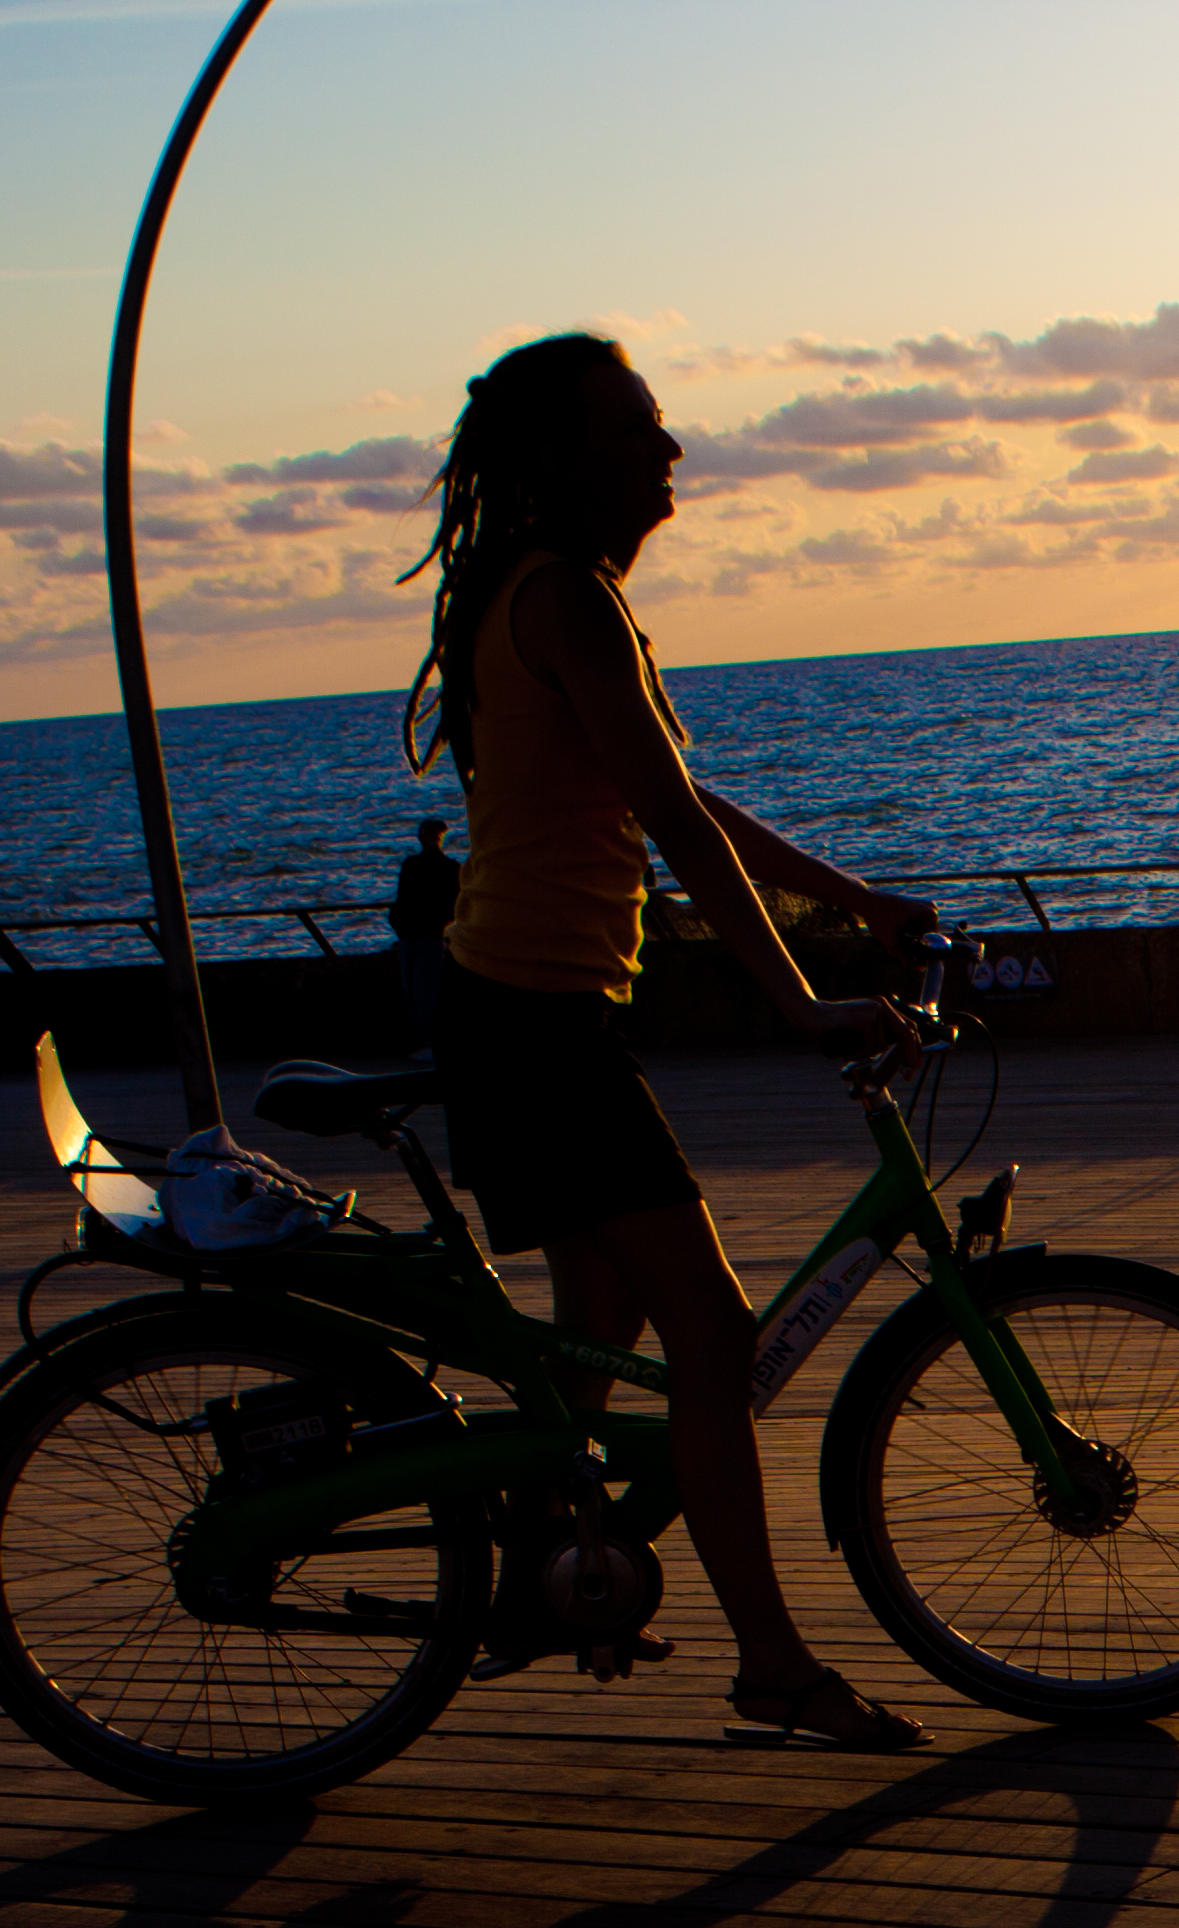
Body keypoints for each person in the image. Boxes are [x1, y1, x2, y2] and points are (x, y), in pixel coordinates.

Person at [401, 329, 939, 1753]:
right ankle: (770, 1665)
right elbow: (682, 828)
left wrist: (856, 902)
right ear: (566, 459)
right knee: (711, 1332)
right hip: (534, 1029)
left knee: (609, 1325)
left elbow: (677, 797)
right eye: (638, 427)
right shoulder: (564, 601)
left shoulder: (549, 597)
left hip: (531, 1016)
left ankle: (534, 1576)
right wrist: (802, 1001)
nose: (670, 450)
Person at [388, 815, 460, 1040]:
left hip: (429, 936)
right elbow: (401, 897)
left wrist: (437, 921)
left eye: (438, 834)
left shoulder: (449, 867)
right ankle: (422, 1038)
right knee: (410, 990)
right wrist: (397, 921)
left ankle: (432, 1040)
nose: (433, 839)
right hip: (408, 934)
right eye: (430, 834)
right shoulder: (411, 864)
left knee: (425, 991)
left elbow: (454, 903)